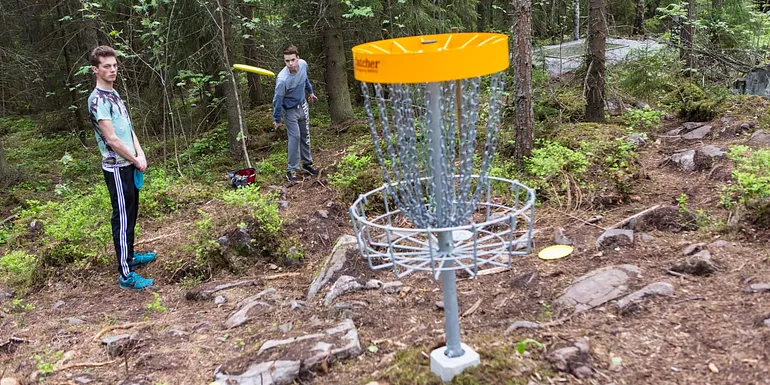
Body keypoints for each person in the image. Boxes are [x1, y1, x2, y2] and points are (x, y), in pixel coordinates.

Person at [87, 45, 156, 290]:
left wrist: (140, 153)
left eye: (114, 65)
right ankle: (126, 275)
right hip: (116, 168)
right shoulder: (97, 101)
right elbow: (112, 139)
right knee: (123, 218)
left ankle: (130, 257)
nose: (112, 70)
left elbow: (127, 128)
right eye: (106, 66)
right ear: (96, 69)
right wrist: (134, 159)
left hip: (130, 163)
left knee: (132, 214)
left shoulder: (114, 94)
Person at [272, 44, 319, 183]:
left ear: (298, 58)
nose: (290, 63)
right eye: (287, 61)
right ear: (284, 61)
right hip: (289, 111)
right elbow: (277, 100)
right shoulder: (282, 80)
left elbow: (305, 79)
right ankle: (291, 170)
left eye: (292, 60)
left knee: (305, 134)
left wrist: (310, 92)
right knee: (295, 137)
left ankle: (307, 164)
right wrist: (277, 118)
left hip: (302, 105)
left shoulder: (303, 65)